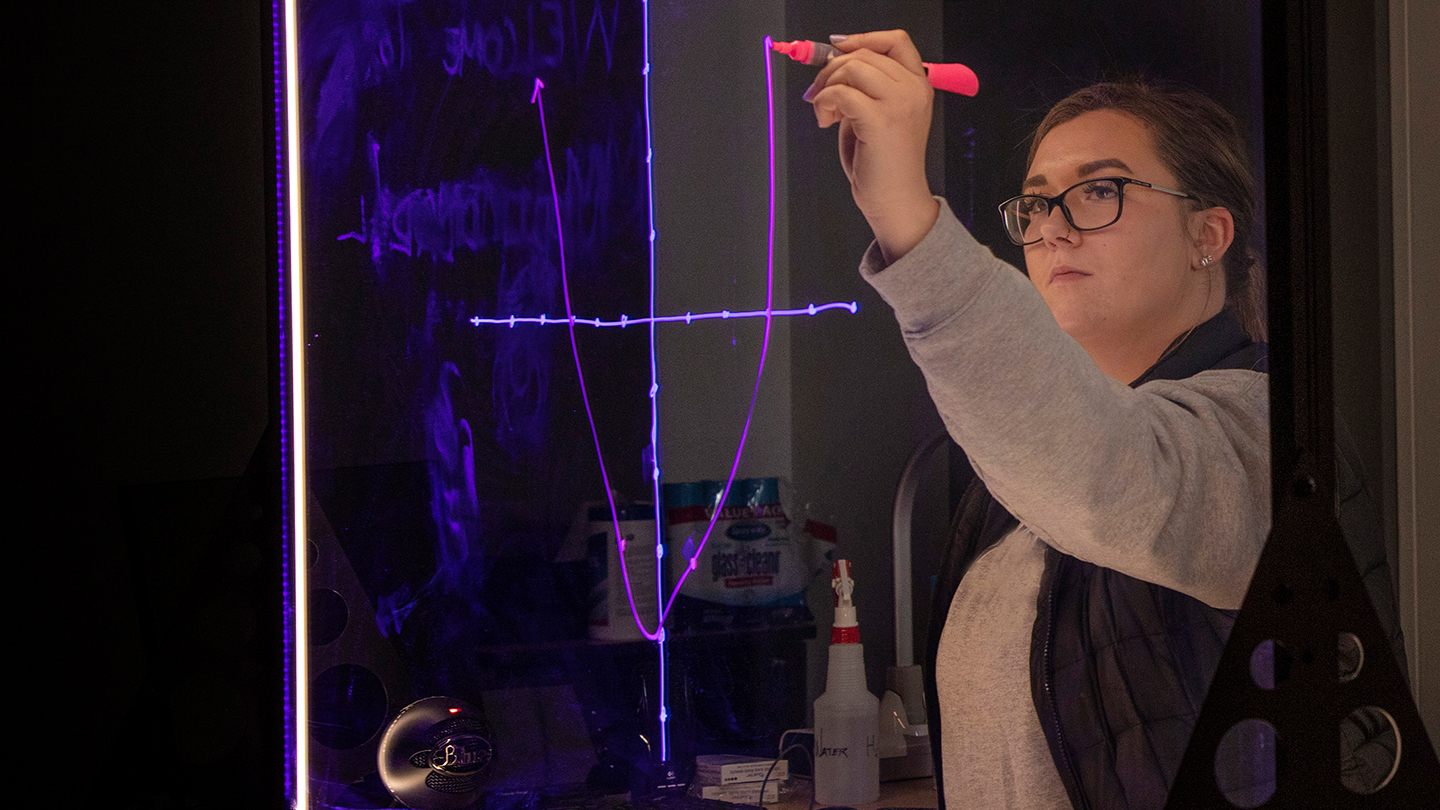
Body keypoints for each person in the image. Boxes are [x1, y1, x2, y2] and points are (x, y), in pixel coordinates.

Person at [801, 29, 1400, 809]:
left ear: (1206, 237)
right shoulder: (1006, 488)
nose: (1050, 225)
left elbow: (1108, 471)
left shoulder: (1268, 430)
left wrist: (909, 219)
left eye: (1098, 190)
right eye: (1037, 199)